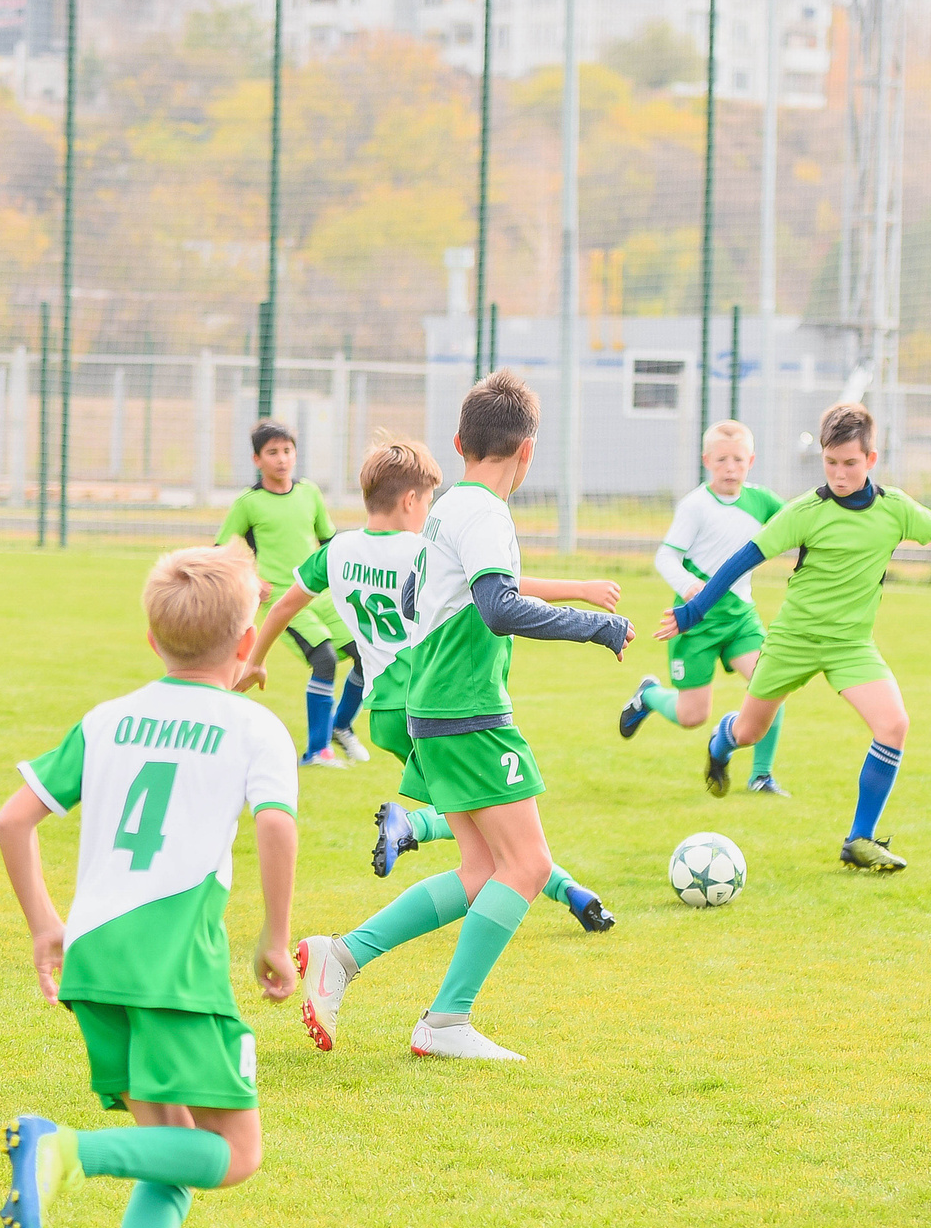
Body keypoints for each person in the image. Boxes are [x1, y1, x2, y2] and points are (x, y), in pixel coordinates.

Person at [0, 543, 299, 1228]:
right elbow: (276, 822)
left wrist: (43, 924)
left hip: (96, 957)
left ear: (151, 637)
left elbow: (12, 819)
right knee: (234, 1153)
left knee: (171, 1147)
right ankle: (63, 1150)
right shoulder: (254, 724)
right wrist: (275, 938)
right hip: (175, 963)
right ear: (246, 645)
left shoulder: (108, 717)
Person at [293, 370, 632, 1062]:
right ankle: (446, 1020)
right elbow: (498, 606)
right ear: (528, 452)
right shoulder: (484, 514)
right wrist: (593, 627)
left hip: (435, 702)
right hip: (467, 707)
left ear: (459, 441)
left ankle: (343, 956)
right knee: (529, 864)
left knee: (483, 870)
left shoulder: (449, 508)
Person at [238, 437, 620, 946]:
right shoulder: (421, 549)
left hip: (385, 714)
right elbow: (500, 583)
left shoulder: (336, 552)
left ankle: (567, 891)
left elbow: (284, 606)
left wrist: (255, 659)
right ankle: (414, 831)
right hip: (435, 698)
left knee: (487, 830)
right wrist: (580, 589)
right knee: (500, 832)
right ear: (411, 502)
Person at [654, 401, 931, 870]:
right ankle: (720, 744)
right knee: (748, 730)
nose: (840, 474)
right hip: (792, 643)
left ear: (871, 459)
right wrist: (692, 610)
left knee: (894, 725)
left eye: (850, 463)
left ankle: (859, 840)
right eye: (831, 463)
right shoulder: (806, 510)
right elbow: (742, 560)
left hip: (851, 645)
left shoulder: (895, 509)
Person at [617, 420, 790, 796]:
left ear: (751, 461)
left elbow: (798, 522)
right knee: (693, 716)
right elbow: (666, 556)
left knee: (771, 685)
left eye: (739, 460)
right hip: (695, 624)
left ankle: (761, 776)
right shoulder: (695, 505)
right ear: (707, 460)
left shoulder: (762, 501)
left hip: (740, 619)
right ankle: (648, 695)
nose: (731, 467)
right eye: (722, 460)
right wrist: (687, 585)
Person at [215, 418, 365, 767]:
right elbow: (222, 549)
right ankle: (317, 751)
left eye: (287, 451)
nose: (281, 459)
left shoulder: (309, 492)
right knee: (325, 660)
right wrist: (252, 578)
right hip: (286, 599)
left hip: (322, 594)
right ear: (257, 460)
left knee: (365, 656)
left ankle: (340, 726)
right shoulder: (248, 503)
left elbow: (329, 540)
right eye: (272, 453)